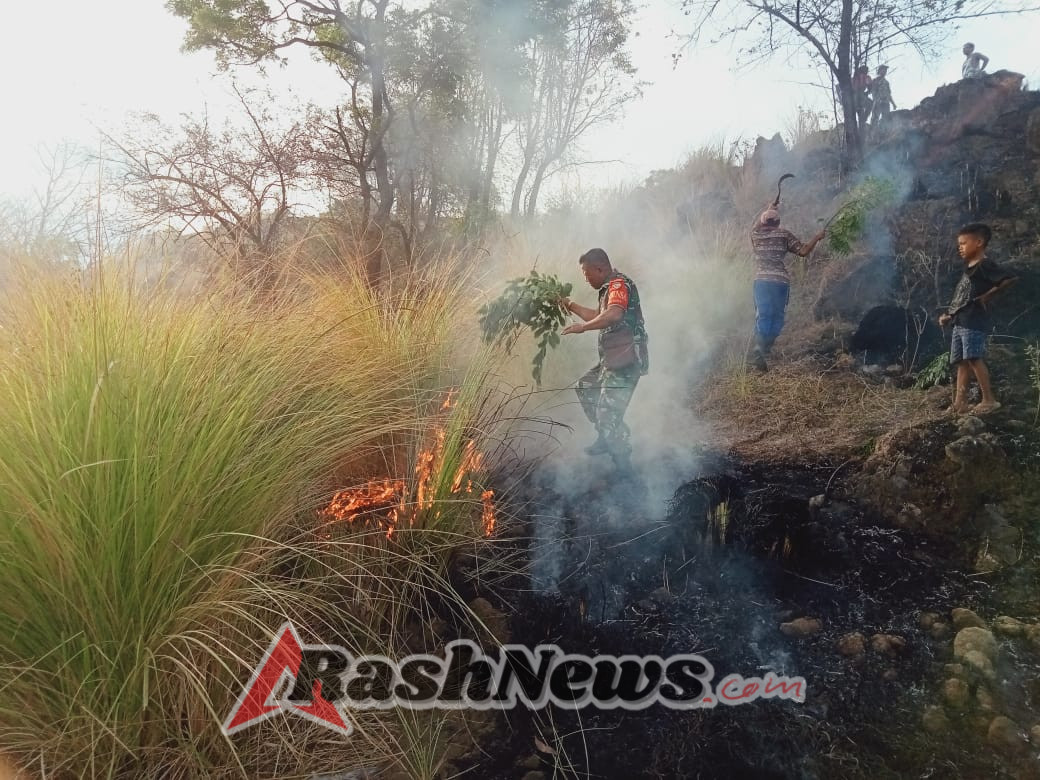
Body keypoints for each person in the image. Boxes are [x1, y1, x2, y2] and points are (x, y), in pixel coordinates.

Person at [559, 248, 649, 472]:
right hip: (612, 360)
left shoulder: (618, 285)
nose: (587, 279)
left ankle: (625, 469)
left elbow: (614, 314)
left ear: (600, 268)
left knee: (608, 415)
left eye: (587, 274)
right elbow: (599, 315)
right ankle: (606, 435)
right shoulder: (608, 288)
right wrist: (569, 304)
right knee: (585, 387)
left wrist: (583, 329)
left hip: (626, 360)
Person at [938, 223, 1017, 415]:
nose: (960, 247)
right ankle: (960, 403)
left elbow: (1009, 278)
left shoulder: (985, 265)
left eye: (964, 243)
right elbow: (962, 298)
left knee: (973, 358)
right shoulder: (969, 268)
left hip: (973, 320)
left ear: (979, 242)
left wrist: (988, 295)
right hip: (960, 320)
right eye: (959, 244)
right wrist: (949, 315)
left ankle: (989, 400)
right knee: (962, 362)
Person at [747, 207, 825, 371]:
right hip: (780, 282)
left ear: (762, 222)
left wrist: (769, 207)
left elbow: (756, 225)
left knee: (763, 313)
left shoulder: (755, 235)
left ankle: (760, 349)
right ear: (778, 222)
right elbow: (803, 251)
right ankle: (765, 350)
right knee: (778, 315)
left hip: (761, 281)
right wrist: (817, 237)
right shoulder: (784, 234)